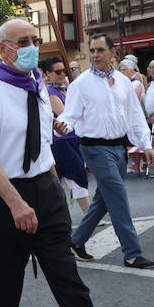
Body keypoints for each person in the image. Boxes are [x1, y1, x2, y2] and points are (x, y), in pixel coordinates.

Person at [0, 18, 140, 307]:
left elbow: (40, 141)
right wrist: (17, 204)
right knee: (6, 281)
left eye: (35, 39)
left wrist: (52, 186)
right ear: (3, 49)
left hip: (43, 189)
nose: (32, 46)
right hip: (3, 194)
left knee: (67, 276)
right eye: (23, 41)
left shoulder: (36, 85)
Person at [60, 34, 154, 269]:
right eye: (92, 50)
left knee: (104, 199)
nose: (95, 55)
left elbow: (134, 116)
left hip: (119, 147)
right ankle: (132, 253)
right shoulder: (80, 84)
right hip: (94, 148)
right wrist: (63, 125)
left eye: (100, 50)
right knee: (118, 197)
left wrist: (146, 145)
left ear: (113, 53)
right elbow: (70, 115)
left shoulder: (123, 82)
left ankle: (76, 241)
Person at [42, 56, 90, 213]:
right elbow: (65, 114)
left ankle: (66, 216)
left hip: (73, 139)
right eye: (58, 71)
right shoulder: (50, 92)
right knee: (74, 175)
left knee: (67, 180)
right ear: (47, 74)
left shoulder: (67, 88)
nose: (62, 74)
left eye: (64, 70)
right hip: (63, 141)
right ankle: (89, 215)